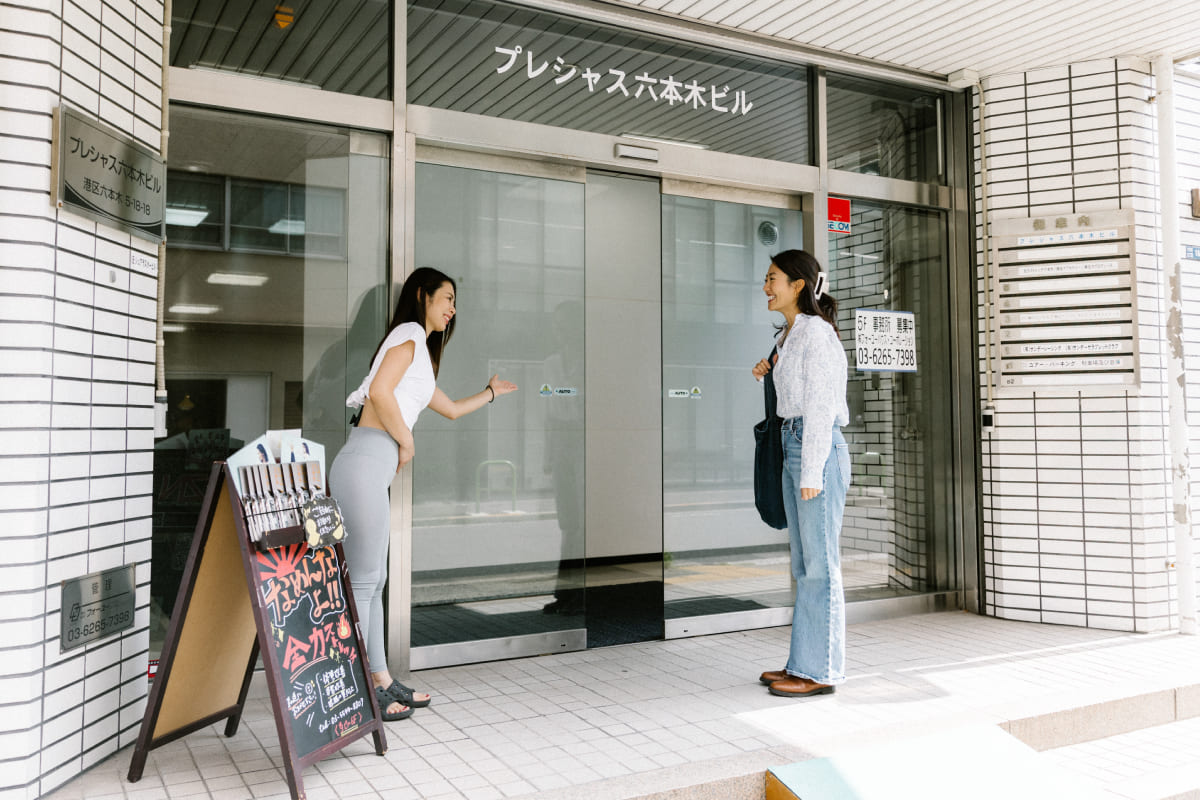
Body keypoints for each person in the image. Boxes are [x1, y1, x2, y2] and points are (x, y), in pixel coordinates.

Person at [330, 267, 518, 721]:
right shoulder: (409, 334)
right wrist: (408, 441)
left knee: (373, 582)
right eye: (446, 298)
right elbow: (378, 391)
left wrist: (490, 394)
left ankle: (380, 678)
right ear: (422, 295)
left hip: (370, 467)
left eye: (456, 302)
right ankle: (362, 687)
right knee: (363, 583)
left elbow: (450, 409)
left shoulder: (419, 359)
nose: (453, 309)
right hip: (363, 464)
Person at [751, 249, 850, 698]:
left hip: (815, 448)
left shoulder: (817, 334)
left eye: (774, 279)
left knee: (819, 567)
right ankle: (802, 663)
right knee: (803, 564)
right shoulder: (790, 335)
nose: (766, 287)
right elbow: (794, 394)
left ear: (798, 286)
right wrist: (767, 369)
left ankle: (821, 670)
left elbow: (822, 406)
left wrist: (812, 468)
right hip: (796, 444)